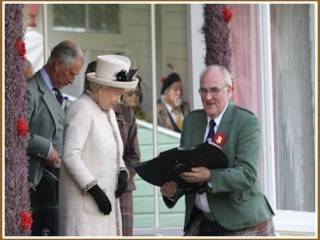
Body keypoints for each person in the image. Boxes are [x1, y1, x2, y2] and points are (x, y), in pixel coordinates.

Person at [160, 65, 275, 236]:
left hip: (243, 221)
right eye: (203, 91)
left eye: (214, 90)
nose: (208, 97)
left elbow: (247, 174)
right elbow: (186, 167)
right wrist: (172, 191)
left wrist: (210, 176)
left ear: (229, 91)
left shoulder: (246, 122)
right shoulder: (191, 121)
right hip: (202, 221)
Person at [59, 55, 139, 236]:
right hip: (84, 212)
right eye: (116, 93)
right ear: (101, 88)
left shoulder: (107, 111)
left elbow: (116, 151)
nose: (119, 100)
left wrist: (122, 172)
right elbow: (71, 155)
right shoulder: (81, 109)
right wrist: (93, 189)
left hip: (103, 211)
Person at [26, 40, 84, 236]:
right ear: (58, 64)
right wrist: (47, 148)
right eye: (71, 73)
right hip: (37, 183)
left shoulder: (56, 94)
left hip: (56, 182)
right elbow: (13, 136)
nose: (72, 81)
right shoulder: (30, 90)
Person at [83, 60, 141, 236]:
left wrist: (126, 174)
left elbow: (134, 156)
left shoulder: (125, 113)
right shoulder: (81, 110)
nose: (118, 95)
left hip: (122, 191)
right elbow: (73, 156)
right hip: (90, 189)